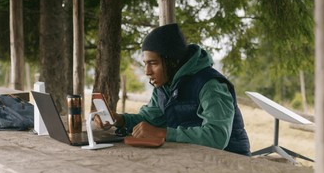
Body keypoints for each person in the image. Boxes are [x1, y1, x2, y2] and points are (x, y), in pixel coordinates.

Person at [104, 23, 251, 157]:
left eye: (153, 63)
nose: (147, 71)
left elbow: (216, 137)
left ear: (173, 61)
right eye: (145, 64)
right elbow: (149, 120)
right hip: (195, 160)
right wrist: (119, 119)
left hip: (231, 161)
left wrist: (162, 133)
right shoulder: (164, 86)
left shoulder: (210, 85)